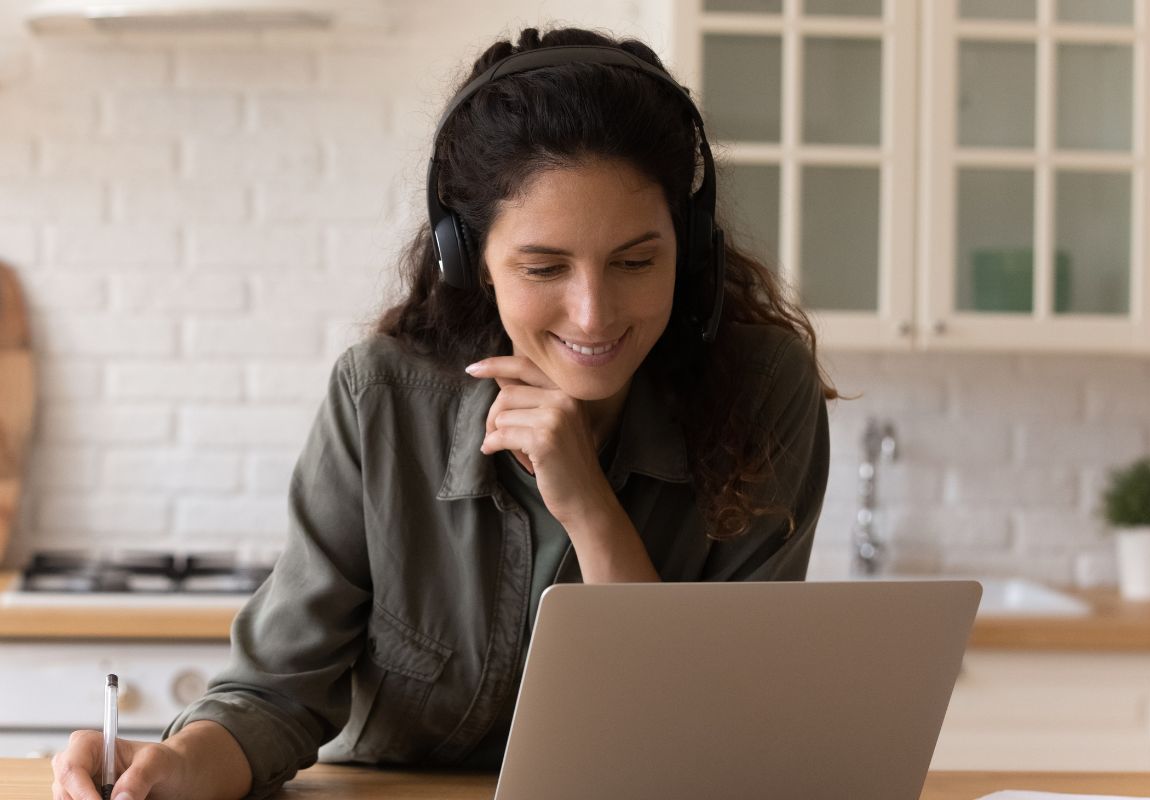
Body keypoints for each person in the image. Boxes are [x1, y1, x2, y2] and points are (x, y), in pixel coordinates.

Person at [51, 25, 834, 800]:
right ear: (471, 262)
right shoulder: (381, 398)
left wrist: (589, 506)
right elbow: (275, 694)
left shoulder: (764, 394)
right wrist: (178, 765)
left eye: (636, 261)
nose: (594, 315)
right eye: (544, 266)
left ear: (691, 247)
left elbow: (706, 739)